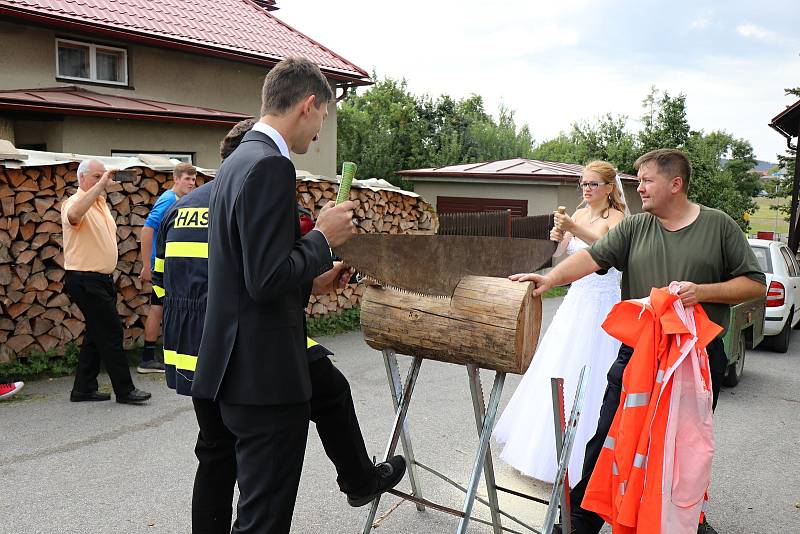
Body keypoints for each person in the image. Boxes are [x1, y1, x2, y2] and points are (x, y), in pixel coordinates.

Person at [152, 118, 404, 533]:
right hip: (250, 350)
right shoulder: (259, 195)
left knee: (216, 451)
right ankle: (359, 480)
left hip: (194, 352)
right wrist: (316, 267)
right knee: (332, 391)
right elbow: (267, 281)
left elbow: (162, 284)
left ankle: (359, 480)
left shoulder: (177, 210)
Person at [513, 149, 765, 534]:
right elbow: (591, 259)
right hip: (637, 352)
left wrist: (704, 293)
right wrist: (550, 278)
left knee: (683, 448)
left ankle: (686, 517)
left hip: (695, 357)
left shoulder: (719, 226)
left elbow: (754, 284)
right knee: (609, 433)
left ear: (675, 184)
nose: (639, 188)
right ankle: (584, 517)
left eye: (647, 180)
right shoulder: (637, 227)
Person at [493, 160, 626, 485]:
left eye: (594, 184)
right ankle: (545, 453)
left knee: (595, 372)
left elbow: (603, 249)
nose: (587, 189)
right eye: (583, 183)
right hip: (576, 301)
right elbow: (561, 256)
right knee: (557, 369)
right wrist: (559, 236)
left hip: (604, 304)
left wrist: (572, 227)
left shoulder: (619, 219)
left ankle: (590, 459)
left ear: (610, 188)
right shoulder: (579, 215)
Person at [61, 159, 151, 405]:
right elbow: (74, 215)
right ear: (82, 178)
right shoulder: (74, 201)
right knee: (111, 332)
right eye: (96, 176)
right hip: (85, 278)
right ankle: (125, 390)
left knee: (95, 332)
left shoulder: (100, 204)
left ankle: (83, 388)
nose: (102, 179)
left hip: (100, 280)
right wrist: (100, 186)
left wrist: (99, 189)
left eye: (103, 176)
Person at [137, 162, 197, 374]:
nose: (191, 183)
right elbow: (147, 229)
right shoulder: (169, 200)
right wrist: (147, 265)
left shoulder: (179, 200)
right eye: (187, 179)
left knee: (160, 307)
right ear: (176, 179)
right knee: (160, 308)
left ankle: (150, 357)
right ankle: (148, 358)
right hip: (161, 267)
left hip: (167, 266)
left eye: (193, 179)